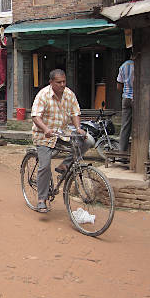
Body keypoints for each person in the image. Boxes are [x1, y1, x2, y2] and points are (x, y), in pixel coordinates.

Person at [31, 69, 94, 213]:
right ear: (51, 82)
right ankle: (41, 199)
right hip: (44, 135)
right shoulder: (43, 95)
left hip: (63, 133)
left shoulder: (69, 94)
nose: (62, 84)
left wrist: (78, 128)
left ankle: (65, 165)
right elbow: (35, 116)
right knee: (45, 166)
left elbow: (75, 112)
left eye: (64, 81)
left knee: (88, 141)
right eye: (59, 82)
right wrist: (46, 129)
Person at [117, 50, 135, 152]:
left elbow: (119, 85)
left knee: (125, 126)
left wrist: (126, 89)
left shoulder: (123, 66)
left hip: (126, 98)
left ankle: (121, 151)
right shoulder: (139, 65)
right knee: (138, 125)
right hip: (137, 99)